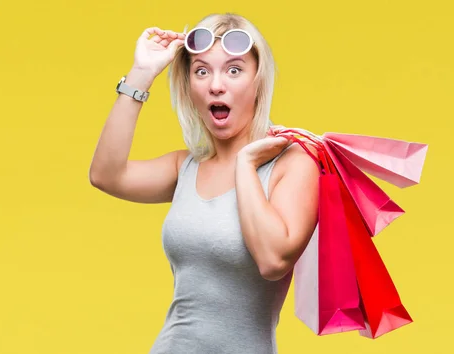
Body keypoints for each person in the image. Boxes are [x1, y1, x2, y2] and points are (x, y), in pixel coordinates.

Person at [89, 12, 319, 354]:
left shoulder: (293, 165)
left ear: (258, 81)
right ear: (189, 87)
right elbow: (105, 175)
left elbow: (273, 261)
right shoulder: (185, 166)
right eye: (201, 71)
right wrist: (142, 72)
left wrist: (245, 164)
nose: (216, 85)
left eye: (234, 70)